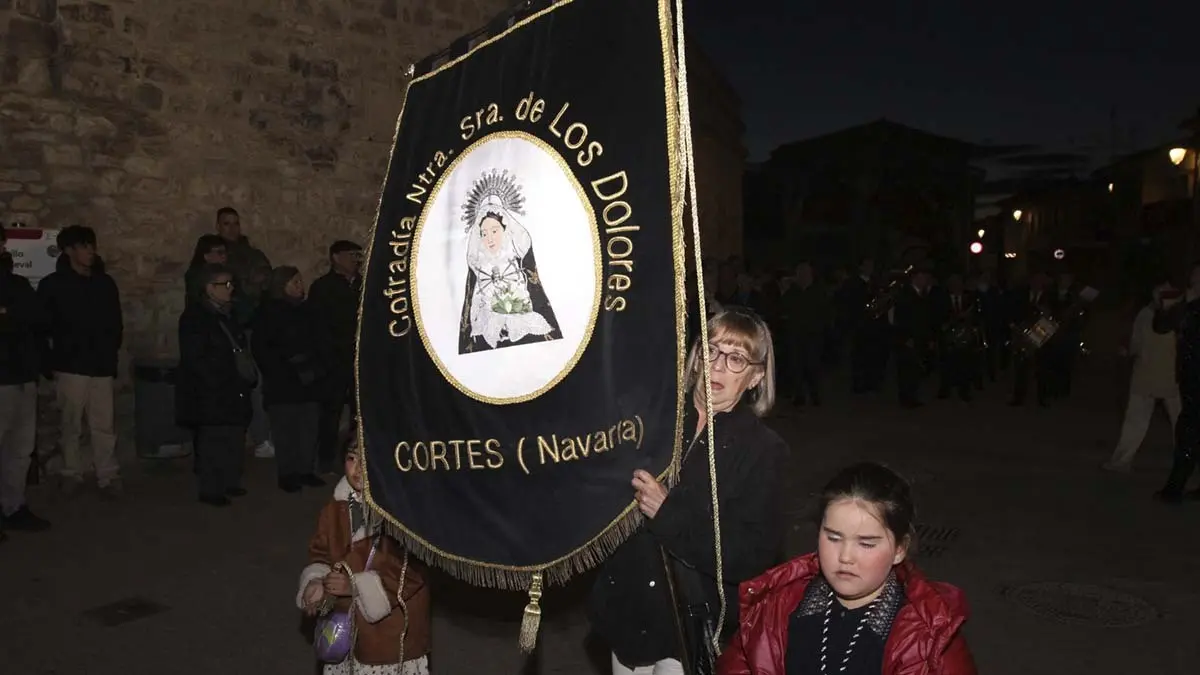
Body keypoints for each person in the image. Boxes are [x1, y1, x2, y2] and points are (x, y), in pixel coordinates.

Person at [589, 307, 790, 675]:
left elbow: (751, 556)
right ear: (696, 355)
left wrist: (668, 514)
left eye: (736, 359)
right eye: (711, 350)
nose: (717, 366)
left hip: (690, 618)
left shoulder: (763, 450)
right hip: (628, 602)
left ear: (756, 377)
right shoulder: (653, 417)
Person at [718, 462, 977, 675]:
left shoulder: (930, 637)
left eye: (866, 543)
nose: (845, 557)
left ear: (900, 549)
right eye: (833, 537)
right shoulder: (776, 606)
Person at [297, 442, 431, 675]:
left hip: (391, 633)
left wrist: (355, 586)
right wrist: (317, 580)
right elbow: (320, 551)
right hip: (345, 625)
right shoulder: (336, 506)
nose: (358, 469)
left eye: (368, 461)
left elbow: (411, 572)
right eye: (352, 458)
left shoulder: (407, 512)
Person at [37, 225, 124, 498]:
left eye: (91, 246)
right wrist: (50, 362)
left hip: (100, 364)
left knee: (104, 424)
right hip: (70, 364)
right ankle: (70, 472)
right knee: (71, 423)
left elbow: (115, 323)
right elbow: (42, 327)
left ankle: (107, 474)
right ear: (69, 250)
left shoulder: (105, 283)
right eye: (84, 246)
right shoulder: (53, 285)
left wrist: (110, 353)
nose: (90, 252)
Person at [176, 264, 256, 507]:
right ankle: (211, 488)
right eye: (225, 284)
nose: (231, 290)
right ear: (209, 289)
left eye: (232, 284)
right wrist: (216, 378)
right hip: (210, 389)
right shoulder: (195, 318)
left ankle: (230, 480)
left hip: (231, 385)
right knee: (213, 440)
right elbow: (195, 357)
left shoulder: (228, 314)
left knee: (233, 436)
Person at [253, 266, 326, 492]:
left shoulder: (307, 311)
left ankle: (305, 470)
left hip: (309, 380)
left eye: (300, 281)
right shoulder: (268, 312)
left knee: (309, 428)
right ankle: (288, 473)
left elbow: (319, 340)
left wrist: (313, 365)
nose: (300, 286)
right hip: (283, 382)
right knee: (286, 431)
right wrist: (289, 365)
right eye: (294, 282)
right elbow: (264, 349)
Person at [0, 230, 51, 538]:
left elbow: (37, 319)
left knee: (20, 449)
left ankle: (12, 506)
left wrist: (9, 315)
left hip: (22, 374)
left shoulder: (15, 283)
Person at [1104, 278, 1181, 472]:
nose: (1162, 294)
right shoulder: (1146, 314)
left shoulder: (1179, 315)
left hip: (1173, 377)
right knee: (1135, 421)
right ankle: (1121, 461)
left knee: (1181, 422)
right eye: (1159, 291)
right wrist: (1127, 351)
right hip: (1145, 375)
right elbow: (1136, 342)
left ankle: (1186, 461)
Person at [308, 241, 363, 474]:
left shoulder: (363, 284)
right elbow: (317, 326)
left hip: (359, 360)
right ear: (336, 257)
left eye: (357, 255)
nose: (356, 260)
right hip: (334, 360)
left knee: (358, 413)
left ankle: (356, 458)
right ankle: (326, 459)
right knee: (330, 413)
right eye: (351, 255)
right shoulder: (323, 287)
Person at [1151, 262, 1200, 503]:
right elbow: (1161, 327)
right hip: (1190, 377)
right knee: (1189, 431)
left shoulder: (1192, 307)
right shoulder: (1187, 304)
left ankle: (1174, 489)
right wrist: (1163, 305)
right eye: (1193, 275)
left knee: (1188, 433)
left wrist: (1188, 305)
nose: (1194, 280)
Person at [782, 262, 828, 406]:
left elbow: (825, 312)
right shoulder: (792, 292)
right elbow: (784, 308)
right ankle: (799, 395)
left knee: (812, 366)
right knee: (796, 366)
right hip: (795, 334)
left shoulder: (818, 292)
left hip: (813, 335)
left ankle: (815, 394)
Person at [890, 268, 935, 408]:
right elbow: (901, 318)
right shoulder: (905, 294)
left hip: (919, 336)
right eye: (922, 277)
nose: (925, 281)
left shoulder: (923, 294)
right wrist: (905, 337)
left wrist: (929, 337)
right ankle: (906, 397)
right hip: (908, 337)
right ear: (915, 278)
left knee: (915, 368)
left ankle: (912, 396)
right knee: (906, 368)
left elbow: (926, 318)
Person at [1008, 271, 1054, 408]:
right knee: (1021, 366)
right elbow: (1013, 311)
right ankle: (1018, 396)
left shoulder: (1050, 296)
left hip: (1042, 330)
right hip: (1022, 331)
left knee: (1042, 367)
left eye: (1040, 280)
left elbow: (1054, 316)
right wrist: (1016, 327)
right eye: (1034, 280)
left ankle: (1042, 397)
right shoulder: (1020, 294)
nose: (1037, 283)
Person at [184, 234, 228, 305]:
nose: (224, 255)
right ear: (206, 256)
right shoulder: (195, 276)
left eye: (225, 252)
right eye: (220, 252)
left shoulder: (227, 271)